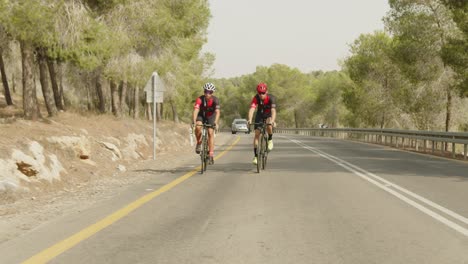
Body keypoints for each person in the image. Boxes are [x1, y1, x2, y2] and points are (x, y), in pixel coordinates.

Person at [247, 82, 276, 165]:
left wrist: (273, 120)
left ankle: (270, 139)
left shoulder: (271, 98)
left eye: (263, 93)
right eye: (259, 93)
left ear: (266, 92)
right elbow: (252, 109)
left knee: (269, 125)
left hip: (268, 115)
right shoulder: (256, 98)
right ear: (257, 93)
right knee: (256, 134)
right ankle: (256, 156)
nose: (261, 95)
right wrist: (250, 119)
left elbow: (273, 111)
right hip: (260, 115)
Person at [192, 82, 220, 165]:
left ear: (212, 93)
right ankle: (199, 143)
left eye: (210, 92)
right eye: (206, 91)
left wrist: (216, 122)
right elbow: (196, 110)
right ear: (204, 91)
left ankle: (211, 154)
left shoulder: (215, 100)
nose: (207, 94)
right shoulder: (199, 99)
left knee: (210, 132)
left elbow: (217, 112)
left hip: (211, 117)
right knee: (197, 127)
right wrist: (194, 121)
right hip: (201, 115)